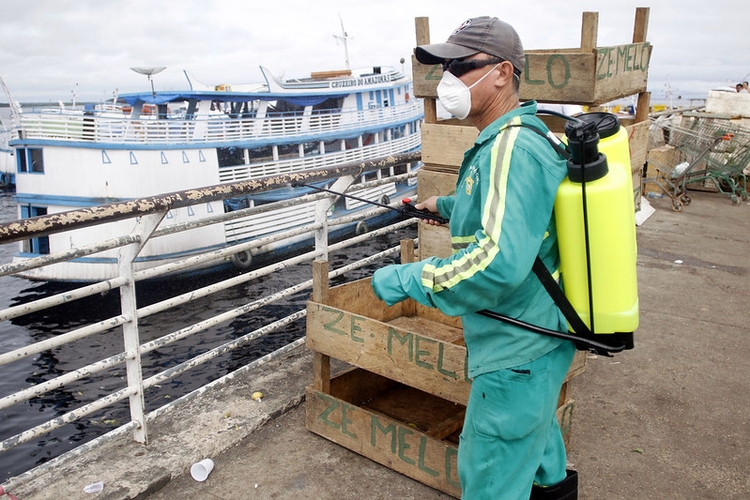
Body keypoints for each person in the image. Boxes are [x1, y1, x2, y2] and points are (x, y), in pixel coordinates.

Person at [371, 16, 578, 499]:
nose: (447, 79)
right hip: (538, 335)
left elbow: (497, 262)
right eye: (445, 68)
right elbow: (513, 210)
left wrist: (406, 279)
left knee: (490, 475)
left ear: (503, 73)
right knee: (539, 456)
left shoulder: (511, 147)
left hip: (517, 348)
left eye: (460, 66)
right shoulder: (515, 136)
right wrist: (444, 206)